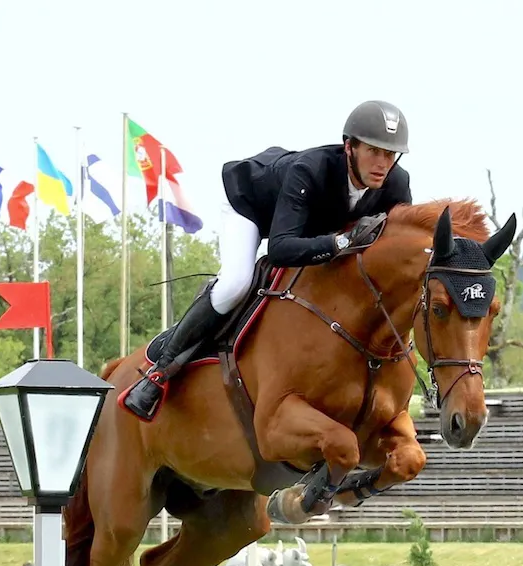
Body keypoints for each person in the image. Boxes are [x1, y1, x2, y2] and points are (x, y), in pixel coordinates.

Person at [120, 100, 412, 422]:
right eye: (373, 151)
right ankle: (162, 370)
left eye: (389, 154)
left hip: (306, 224)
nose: (382, 163)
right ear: (349, 147)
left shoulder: (396, 184)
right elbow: (280, 249)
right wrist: (340, 242)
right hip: (250, 207)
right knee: (236, 284)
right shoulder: (310, 170)